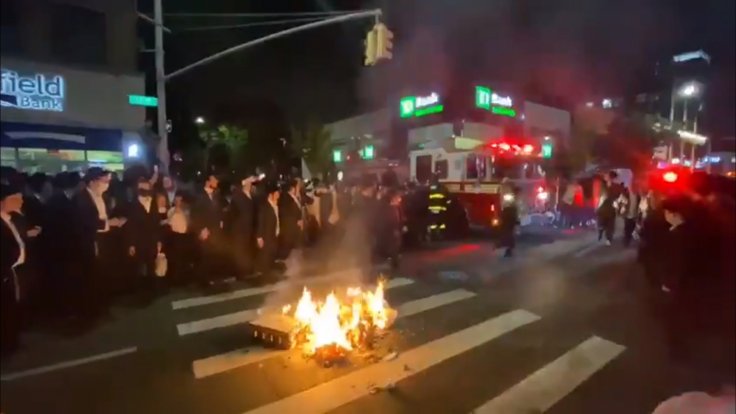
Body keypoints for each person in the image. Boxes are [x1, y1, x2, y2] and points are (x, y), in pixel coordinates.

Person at [72, 168, 126, 318]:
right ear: (92, 181)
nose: (107, 184)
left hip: (104, 240)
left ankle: (102, 305)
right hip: (90, 241)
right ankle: (90, 310)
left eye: (109, 181)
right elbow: (86, 222)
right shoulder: (82, 198)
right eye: (104, 181)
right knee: (91, 275)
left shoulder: (104, 197)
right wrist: (110, 223)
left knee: (103, 273)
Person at [125, 178, 163, 291]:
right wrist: (131, 244)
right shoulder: (132, 205)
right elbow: (131, 226)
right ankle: (140, 290)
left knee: (151, 264)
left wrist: (159, 240)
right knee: (139, 266)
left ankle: (152, 289)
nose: (145, 190)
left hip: (152, 240)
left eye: (147, 188)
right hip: (139, 241)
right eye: (142, 188)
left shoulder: (153, 203)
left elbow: (157, 223)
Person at [1, 184, 25, 355]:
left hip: (13, 271)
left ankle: (12, 339)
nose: (19, 201)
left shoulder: (10, 219)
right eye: (14, 198)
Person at [191, 174, 224, 287]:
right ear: (208, 181)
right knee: (205, 257)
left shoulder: (216, 195)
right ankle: (203, 282)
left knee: (214, 255)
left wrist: (220, 222)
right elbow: (195, 215)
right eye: (214, 179)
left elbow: (218, 212)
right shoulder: (199, 196)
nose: (217, 181)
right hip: (205, 231)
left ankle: (214, 279)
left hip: (216, 232)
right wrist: (201, 229)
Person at [231, 175, 257, 279]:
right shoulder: (238, 196)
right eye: (249, 182)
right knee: (240, 251)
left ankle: (248, 270)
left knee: (247, 249)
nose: (251, 185)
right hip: (240, 229)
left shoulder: (251, 195)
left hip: (249, 228)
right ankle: (240, 273)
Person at [166, 191, 192, 285]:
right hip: (175, 237)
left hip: (185, 236)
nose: (178, 202)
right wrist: (174, 213)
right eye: (176, 200)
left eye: (180, 200)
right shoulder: (171, 211)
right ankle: (177, 280)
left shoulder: (186, 210)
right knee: (177, 259)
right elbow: (169, 222)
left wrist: (183, 212)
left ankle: (185, 278)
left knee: (184, 258)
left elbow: (189, 222)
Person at [255, 181, 280, 280]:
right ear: (271, 195)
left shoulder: (275, 205)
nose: (278, 196)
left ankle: (268, 274)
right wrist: (259, 237)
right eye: (276, 194)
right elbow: (260, 221)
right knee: (265, 256)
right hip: (266, 235)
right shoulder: (265, 207)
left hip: (273, 235)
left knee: (271, 256)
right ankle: (265, 276)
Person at [377, 190, 404, 271]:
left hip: (394, 231)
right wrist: (395, 229)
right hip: (391, 232)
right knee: (393, 246)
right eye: (397, 198)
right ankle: (393, 262)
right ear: (392, 198)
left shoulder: (395, 207)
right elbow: (392, 221)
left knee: (395, 246)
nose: (400, 199)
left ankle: (393, 261)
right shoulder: (389, 209)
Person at [278, 178, 303, 262]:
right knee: (288, 251)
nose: (299, 188)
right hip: (289, 229)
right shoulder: (286, 198)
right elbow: (285, 214)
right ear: (293, 188)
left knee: (295, 250)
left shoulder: (296, 197)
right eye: (298, 186)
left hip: (296, 229)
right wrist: (296, 221)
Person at [499, 186, 521, 258]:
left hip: (508, 219)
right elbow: (512, 210)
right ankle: (508, 250)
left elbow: (506, 208)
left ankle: (508, 250)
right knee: (509, 234)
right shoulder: (514, 199)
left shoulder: (511, 198)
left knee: (508, 234)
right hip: (510, 218)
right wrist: (516, 220)